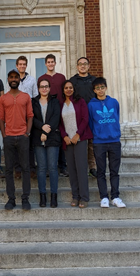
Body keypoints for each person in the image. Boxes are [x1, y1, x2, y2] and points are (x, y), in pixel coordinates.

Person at [88, 77, 126, 208]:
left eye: (102, 87)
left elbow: (116, 117)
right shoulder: (91, 105)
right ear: (94, 90)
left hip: (114, 141)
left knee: (114, 171)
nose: (100, 90)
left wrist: (114, 132)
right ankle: (103, 197)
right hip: (99, 142)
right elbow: (91, 123)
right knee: (101, 171)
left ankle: (115, 196)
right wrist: (96, 135)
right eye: (97, 88)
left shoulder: (114, 102)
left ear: (106, 87)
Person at [0, 69, 34, 211]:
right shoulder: (3, 98)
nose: (13, 79)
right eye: (11, 77)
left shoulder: (26, 97)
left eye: (16, 77)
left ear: (19, 80)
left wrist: (27, 133)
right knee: (8, 169)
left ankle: (25, 198)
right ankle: (11, 199)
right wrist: (4, 135)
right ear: (8, 80)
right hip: (9, 137)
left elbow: (30, 116)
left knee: (25, 168)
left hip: (23, 137)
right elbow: (1, 118)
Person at [59, 80, 92, 209]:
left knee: (81, 169)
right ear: (63, 90)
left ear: (74, 89)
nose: (68, 89)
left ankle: (84, 197)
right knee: (72, 170)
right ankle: (75, 196)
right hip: (68, 141)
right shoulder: (61, 104)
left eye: (70, 87)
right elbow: (59, 123)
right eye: (66, 87)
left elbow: (85, 118)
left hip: (80, 139)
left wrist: (78, 134)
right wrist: (64, 136)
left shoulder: (80, 101)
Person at [6, 56, 37, 179]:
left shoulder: (32, 80)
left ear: (26, 65)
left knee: (29, 143)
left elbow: (35, 98)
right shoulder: (13, 80)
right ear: (17, 65)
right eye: (20, 64)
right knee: (16, 144)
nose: (22, 66)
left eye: (24, 64)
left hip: (28, 116)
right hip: (15, 116)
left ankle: (31, 168)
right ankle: (17, 169)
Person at [31, 79, 61, 208]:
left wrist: (46, 133)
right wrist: (43, 127)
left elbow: (56, 118)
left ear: (49, 88)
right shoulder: (34, 102)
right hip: (38, 138)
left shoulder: (54, 102)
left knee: (53, 168)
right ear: (38, 88)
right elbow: (32, 117)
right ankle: (42, 196)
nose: (44, 89)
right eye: (42, 87)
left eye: (46, 86)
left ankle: (54, 196)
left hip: (52, 138)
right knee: (42, 168)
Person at [38, 54, 68, 177]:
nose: (50, 64)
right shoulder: (41, 78)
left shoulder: (61, 77)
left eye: (52, 62)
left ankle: (62, 165)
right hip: (47, 112)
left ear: (55, 63)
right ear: (45, 64)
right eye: (48, 62)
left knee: (60, 137)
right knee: (48, 138)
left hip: (61, 111)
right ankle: (49, 167)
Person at [70, 57, 97, 178]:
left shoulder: (94, 80)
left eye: (85, 64)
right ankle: (80, 167)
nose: (82, 66)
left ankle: (93, 167)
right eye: (80, 64)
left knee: (92, 142)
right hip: (78, 116)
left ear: (88, 66)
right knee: (80, 141)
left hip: (92, 114)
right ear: (77, 66)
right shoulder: (73, 81)